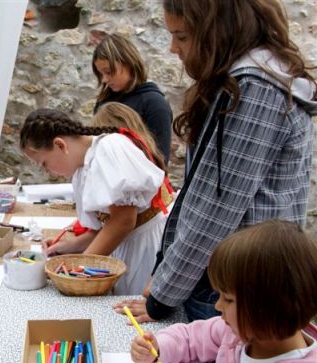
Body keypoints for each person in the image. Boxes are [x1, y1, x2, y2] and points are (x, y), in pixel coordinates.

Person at [117, 0, 317, 323]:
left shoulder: (255, 88)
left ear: (217, 30)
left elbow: (216, 208)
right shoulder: (249, 81)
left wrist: (163, 296)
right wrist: (165, 269)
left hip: (238, 284)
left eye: (182, 37)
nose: (173, 48)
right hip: (232, 277)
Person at [130, 220, 317, 363]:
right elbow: (193, 336)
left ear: (267, 308)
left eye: (228, 299)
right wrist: (159, 347)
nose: (218, 306)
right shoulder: (242, 333)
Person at [20, 108, 173, 295]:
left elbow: (123, 221)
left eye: (44, 163)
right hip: (127, 242)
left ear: (60, 145)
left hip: (146, 245)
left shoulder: (109, 149)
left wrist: (81, 266)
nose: (47, 172)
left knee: (133, 306)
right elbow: (104, 228)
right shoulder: (83, 168)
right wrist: (71, 246)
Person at [92, 33, 173, 163]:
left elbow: (160, 160)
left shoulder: (155, 104)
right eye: (100, 74)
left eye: (108, 72)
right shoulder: (104, 100)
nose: (104, 79)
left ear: (128, 63)